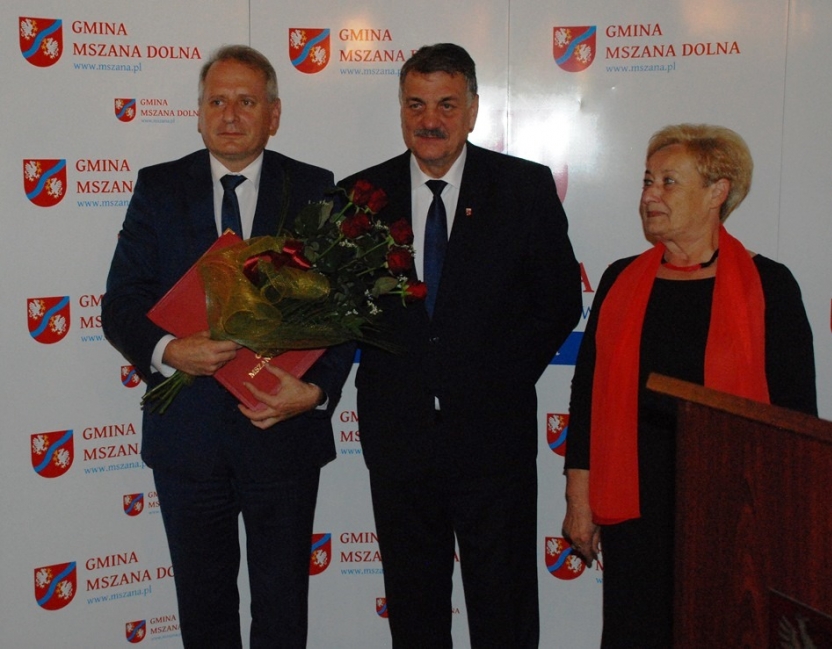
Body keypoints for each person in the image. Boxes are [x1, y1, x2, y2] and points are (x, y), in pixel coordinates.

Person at [102, 45, 354, 648]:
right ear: (198, 114)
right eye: (217, 101)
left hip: (282, 438)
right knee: (204, 614)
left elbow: (347, 312)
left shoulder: (315, 188)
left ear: (274, 115)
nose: (231, 115)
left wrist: (316, 392)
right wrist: (169, 350)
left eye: (246, 101)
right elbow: (120, 304)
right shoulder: (159, 188)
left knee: (283, 614)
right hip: (188, 443)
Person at [340, 43, 582, 648]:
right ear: (401, 108)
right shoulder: (357, 198)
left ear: (473, 109)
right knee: (414, 612)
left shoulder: (523, 188)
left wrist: (495, 378)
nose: (430, 120)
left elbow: (558, 302)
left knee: (503, 612)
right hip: (398, 439)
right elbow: (340, 313)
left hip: (492, 438)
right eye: (416, 104)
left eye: (447, 105)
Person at [562, 123, 818, 648]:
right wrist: (578, 495)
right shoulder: (619, 278)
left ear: (717, 192)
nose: (649, 195)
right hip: (634, 501)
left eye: (668, 182)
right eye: (647, 181)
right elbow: (587, 394)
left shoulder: (769, 285)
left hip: (733, 506)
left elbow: (796, 416)